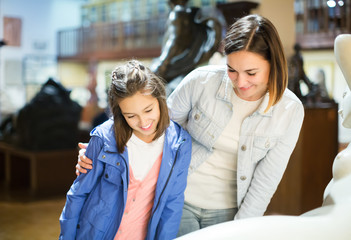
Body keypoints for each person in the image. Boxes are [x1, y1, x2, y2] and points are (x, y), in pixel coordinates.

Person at [76, 14, 305, 236]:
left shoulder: (290, 111)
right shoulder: (201, 82)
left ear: (273, 64)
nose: (241, 82)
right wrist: (101, 150)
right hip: (177, 198)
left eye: (251, 73)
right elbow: (152, 127)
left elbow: (266, 180)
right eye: (232, 70)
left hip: (228, 211)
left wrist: (241, 230)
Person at [59, 60, 192, 240]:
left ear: (160, 99)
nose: (143, 122)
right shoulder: (104, 138)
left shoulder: (180, 143)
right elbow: (77, 195)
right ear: (120, 113)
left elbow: (172, 205)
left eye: (148, 110)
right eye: (131, 116)